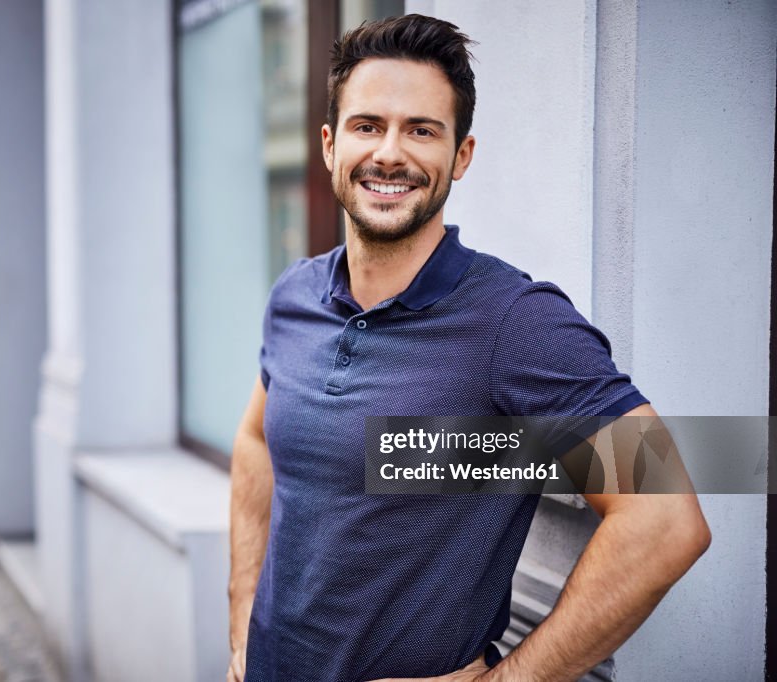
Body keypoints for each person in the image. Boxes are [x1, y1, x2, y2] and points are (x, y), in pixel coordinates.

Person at [227, 14, 710, 682]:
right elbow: (255, 440)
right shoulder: (293, 299)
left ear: (461, 155)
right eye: (369, 126)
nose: (390, 153)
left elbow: (664, 522)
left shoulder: (516, 322)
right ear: (330, 146)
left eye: (421, 130)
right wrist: (241, 613)